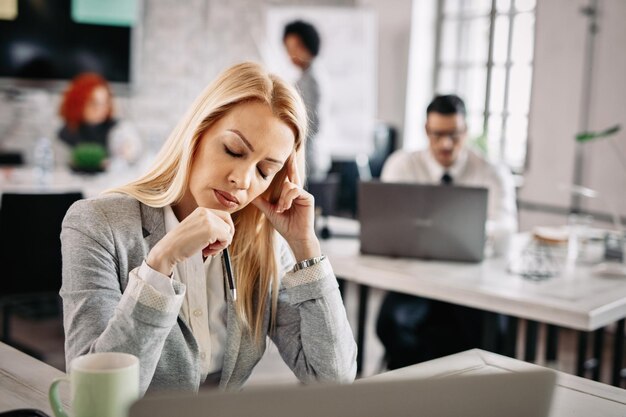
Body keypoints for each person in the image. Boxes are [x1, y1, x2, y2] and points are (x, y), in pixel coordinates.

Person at [60, 62, 357, 394]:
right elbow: (94, 395)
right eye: (233, 150)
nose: (241, 180)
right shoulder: (97, 225)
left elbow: (333, 379)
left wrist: (305, 246)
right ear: (197, 133)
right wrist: (160, 264)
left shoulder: (266, 246)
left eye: (264, 171)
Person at [376, 94, 517, 370]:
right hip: (415, 279)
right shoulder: (402, 166)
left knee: (495, 333)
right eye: (438, 134)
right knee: (390, 324)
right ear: (426, 131)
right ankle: (422, 388)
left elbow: (507, 230)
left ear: (466, 132)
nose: (446, 143)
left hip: (472, 283)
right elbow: (388, 222)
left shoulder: (491, 172)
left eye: (454, 134)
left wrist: (472, 229)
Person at [58, 72, 141, 167]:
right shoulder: (67, 132)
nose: (101, 109)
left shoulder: (118, 129)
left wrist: (129, 152)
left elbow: (132, 156)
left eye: (105, 103)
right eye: (94, 103)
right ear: (79, 103)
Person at [283, 20, 329, 180]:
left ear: (308, 47)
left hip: (307, 160)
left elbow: (311, 123)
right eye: (288, 49)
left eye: (294, 48)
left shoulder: (310, 80)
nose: (290, 54)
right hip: (310, 157)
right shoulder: (308, 77)